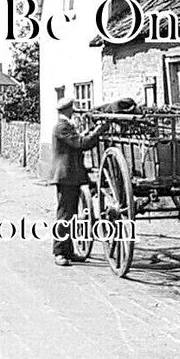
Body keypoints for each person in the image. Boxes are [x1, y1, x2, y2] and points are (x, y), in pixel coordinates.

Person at [50, 97, 106, 267]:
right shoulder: (61, 127)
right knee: (65, 216)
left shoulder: (67, 125)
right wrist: (98, 132)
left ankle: (69, 252)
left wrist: (93, 131)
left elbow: (79, 138)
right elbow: (80, 143)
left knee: (71, 215)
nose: (73, 111)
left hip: (71, 175)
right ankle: (59, 253)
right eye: (71, 109)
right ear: (66, 110)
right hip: (65, 175)